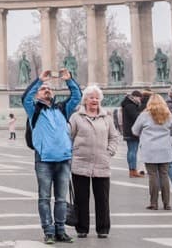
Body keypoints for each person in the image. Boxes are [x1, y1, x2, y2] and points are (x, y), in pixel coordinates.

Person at [22, 68, 82, 244]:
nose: (46, 90)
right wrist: (39, 81)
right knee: (44, 198)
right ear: (38, 94)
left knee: (62, 199)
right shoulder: (34, 110)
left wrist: (69, 80)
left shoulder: (63, 108)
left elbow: (77, 97)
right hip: (44, 160)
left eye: (49, 88)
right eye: (43, 89)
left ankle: (61, 230)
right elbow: (25, 97)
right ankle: (48, 231)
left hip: (63, 159)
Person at [68, 84, 119, 238]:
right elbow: (69, 136)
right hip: (80, 161)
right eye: (91, 97)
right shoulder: (76, 117)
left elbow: (114, 137)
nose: (94, 100)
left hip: (101, 161)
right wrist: (72, 153)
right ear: (85, 100)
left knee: (102, 199)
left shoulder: (107, 117)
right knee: (81, 198)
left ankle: (103, 229)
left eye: (97, 98)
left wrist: (109, 151)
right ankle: (82, 228)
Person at [132, 92, 172, 211]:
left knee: (152, 176)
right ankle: (167, 203)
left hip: (150, 148)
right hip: (165, 148)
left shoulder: (144, 115)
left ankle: (153, 203)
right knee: (164, 175)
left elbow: (135, 131)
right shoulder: (169, 115)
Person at [119, 90, 145, 177]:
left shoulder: (127, 104)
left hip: (128, 130)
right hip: (132, 131)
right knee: (133, 151)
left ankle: (132, 170)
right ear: (134, 97)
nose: (140, 100)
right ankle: (133, 170)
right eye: (139, 98)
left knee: (131, 150)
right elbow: (136, 117)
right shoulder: (131, 105)